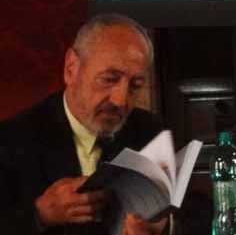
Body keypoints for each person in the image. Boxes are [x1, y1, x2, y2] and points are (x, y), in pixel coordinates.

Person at [0, 14, 174, 235]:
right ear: (71, 68)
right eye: (109, 79)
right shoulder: (11, 141)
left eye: (135, 85)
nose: (120, 101)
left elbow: (195, 211)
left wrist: (164, 226)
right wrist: (39, 216)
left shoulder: (149, 130)